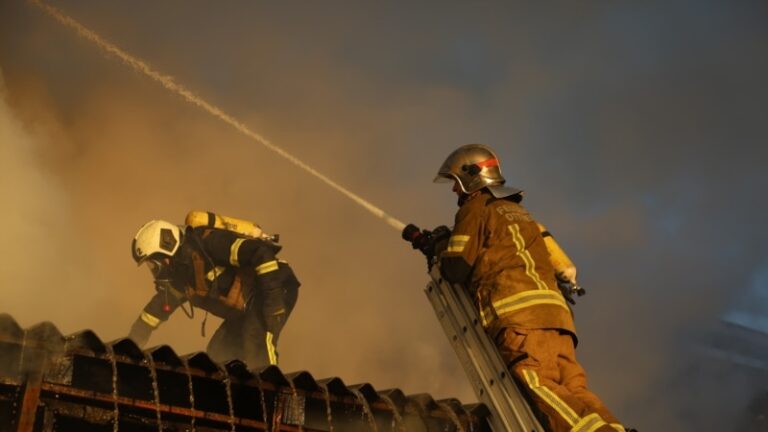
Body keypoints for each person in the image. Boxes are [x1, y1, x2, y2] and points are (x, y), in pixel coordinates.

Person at [430, 144, 627, 432]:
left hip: (520, 320)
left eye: (456, 183)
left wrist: (437, 245)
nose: (454, 191)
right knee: (574, 389)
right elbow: (561, 264)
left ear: (471, 178)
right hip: (558, 320)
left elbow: (456, 267)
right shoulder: (522, 215)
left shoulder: (476, 208)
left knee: (537, 382)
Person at [127, 218, 299, 368]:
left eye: (154, 264)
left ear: (166, 249)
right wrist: (131, 344)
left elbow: (261, 253)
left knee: (255, 338)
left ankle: (271, 397)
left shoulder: (211, 244)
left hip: (277, 286)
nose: (156, 271)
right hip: (248, 307)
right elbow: (155, 311)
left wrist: (274, 301)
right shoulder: (183, 276)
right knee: (217, 353)